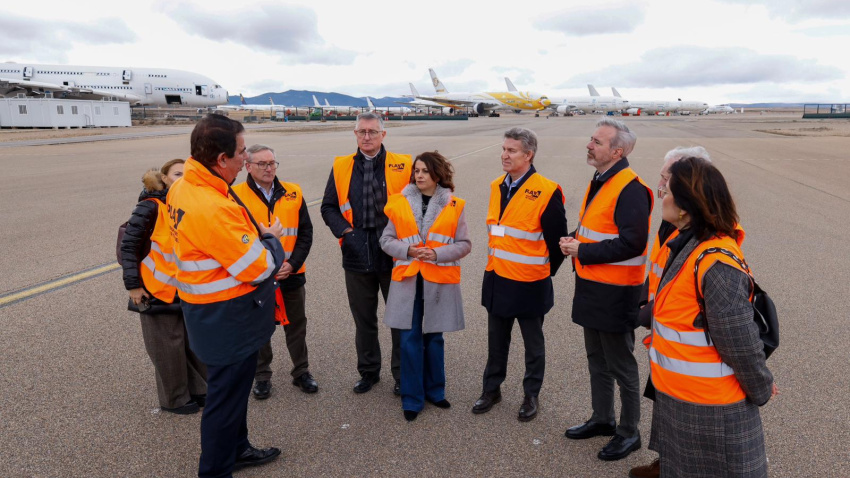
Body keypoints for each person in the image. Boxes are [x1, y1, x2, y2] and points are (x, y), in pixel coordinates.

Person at [168, 114, 286, 477]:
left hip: (209, 314)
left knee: (232, 397)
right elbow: (260, 266)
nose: (244, 159)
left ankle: (238, 448)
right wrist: (272, 239)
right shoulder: (212, 207)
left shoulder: (184, 186)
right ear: (220, 160)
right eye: (240, 152)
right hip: (227, 319)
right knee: (224, 400)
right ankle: (216, 469)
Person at [647, 156, 776, 477]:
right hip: (684, 403)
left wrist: (761, 388)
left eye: (669, 189)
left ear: (686, 207)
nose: (661, 193)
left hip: (713, 413)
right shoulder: (686, 245)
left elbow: (741, 345)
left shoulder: (715, 264)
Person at [560, 118, 652, 461]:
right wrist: (575, 237)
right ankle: (602, 418)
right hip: (592, 286)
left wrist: (582, 251)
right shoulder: (601, 180)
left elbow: (633, 241)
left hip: (616, 292)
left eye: (596, 142)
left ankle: (629, 433)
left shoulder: (630, 187)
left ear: (617, 151)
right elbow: (596, 227)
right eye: (591, 139)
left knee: (621, 365)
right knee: (596, 359)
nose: (589, 145)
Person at [473, 127, 567, 422]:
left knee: (533, 345)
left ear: (528, 155)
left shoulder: (547, 189)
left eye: (512, 151)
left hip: (529, 283)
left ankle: (531, 394)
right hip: (498, 278)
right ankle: (492, 389)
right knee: (496, 341)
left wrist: (541, 271)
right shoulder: (495, 186)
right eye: (503, 149)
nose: (505, 155)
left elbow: (557, 242)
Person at [630, 145, 712, 478]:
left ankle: (679, 466)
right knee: (663, 397)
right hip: (664, 328)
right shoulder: (672, 219)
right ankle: (666, 462)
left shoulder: (703, 230)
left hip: (687, 341)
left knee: (685, 409)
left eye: (666, 177)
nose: (659, 184)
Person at [320, 112, 412, 395]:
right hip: (357, 253)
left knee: (399, 319)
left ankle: (402, 375)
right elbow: (328, 207)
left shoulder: (404, 165)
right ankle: (369, 372)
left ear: (384, 135)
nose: (367, 136)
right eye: (362, 132)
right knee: (364, 319)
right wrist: (347, 235)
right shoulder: (341, 166)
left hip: (393, 253)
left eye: (372, 131)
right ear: (355, 134)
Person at [380, 151, 471, 421]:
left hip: (437, 281)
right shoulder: (398, 203)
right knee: (409, 340)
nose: (419, 175)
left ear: (437, 175)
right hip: (408, 280)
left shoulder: (455, 205)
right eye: (416, 171)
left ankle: (435, 391)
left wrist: (437, 254)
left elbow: (465, 244)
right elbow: (386, 240)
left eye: (424, 171)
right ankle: (411, 398)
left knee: (434, 339)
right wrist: (408, 249)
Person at [121, 159, 207, 414]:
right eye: (177, 174)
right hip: (155, 291)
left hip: (184, 289)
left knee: (190, 344)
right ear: (164, 178)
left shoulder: (184, 205)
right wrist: (134, 287)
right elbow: (128, 247)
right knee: (167, 349)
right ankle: (175, 400)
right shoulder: (149, 207)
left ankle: (199, 390)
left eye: (186, 174)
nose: (182, 178)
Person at [232, 144, 318, 399]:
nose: (269, 168)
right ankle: (262, 376)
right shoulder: (235, 195)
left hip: (291, 274)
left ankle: (301, 372)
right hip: (257, 276)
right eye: (263, 164)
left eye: (272, 163)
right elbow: (235, 239)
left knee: (297, 325)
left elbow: (305, 233)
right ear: (248, 166)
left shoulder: (293, 191)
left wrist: (292, 264)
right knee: (260, 327)